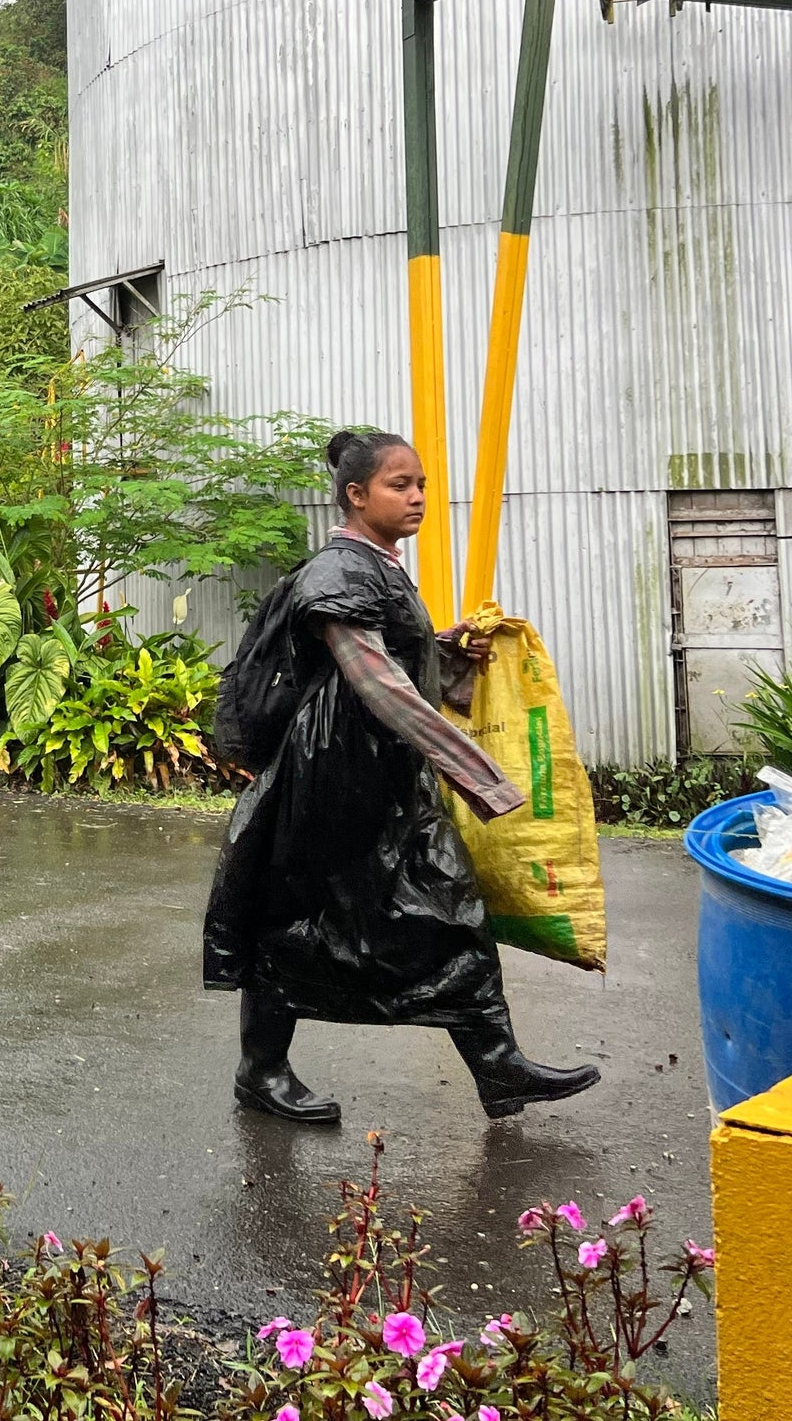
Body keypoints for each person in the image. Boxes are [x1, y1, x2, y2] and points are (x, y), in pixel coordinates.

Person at [202, 429, 602, 1125]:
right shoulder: (338, 574)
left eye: (420, 483)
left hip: (383, 780)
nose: (418, 497)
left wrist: (445, 648)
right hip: (332, 787)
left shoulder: (377, 569)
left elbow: (394, 661)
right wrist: (482, 777)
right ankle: (261, 1071)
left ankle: (496, 1066)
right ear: (357, 496)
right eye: (400, 485)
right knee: (303, 923)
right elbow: (375, 683)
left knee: (443, 909)